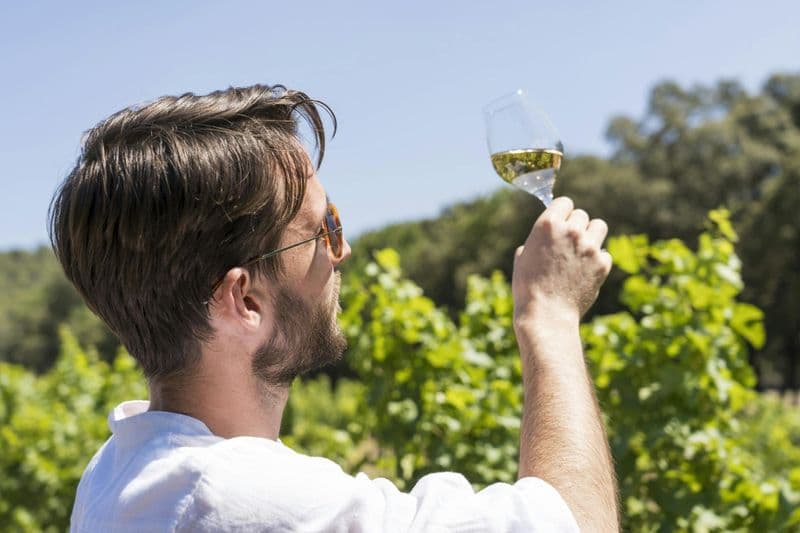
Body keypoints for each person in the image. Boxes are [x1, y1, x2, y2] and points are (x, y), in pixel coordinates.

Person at [50, 84, 619, 532]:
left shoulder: (119, 470)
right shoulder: (241, 504)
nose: (341, 249)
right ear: (245, 301)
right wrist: (549, 317)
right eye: (322, 228)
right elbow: (576, 525)